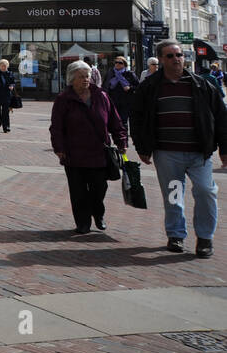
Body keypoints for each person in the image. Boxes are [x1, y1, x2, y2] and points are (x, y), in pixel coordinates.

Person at [130, 39, 227, 257]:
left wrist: (224, 148)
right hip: (167, 153)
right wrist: (142, 146)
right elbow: (136, 117)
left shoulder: (202, 85)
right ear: (162, 59)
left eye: (179, 55)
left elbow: (221, 116)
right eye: (170, 56)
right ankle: (176, 235)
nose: (176, 59)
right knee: (174, 195)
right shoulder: (150, 86)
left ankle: (205, 238)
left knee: (205, 191)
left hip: (198, 152)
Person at [50, 61, 127, 235]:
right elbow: (56, 127)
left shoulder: (101, 96)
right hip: (73, 153)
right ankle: (82, 222)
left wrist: (121, 141)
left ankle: (98, 213)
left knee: (99, 188)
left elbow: (115, 121)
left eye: (87, 76)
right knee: (78, 192)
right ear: (72, 79)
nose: (86, 79)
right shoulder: (64, 99)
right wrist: (59, 148)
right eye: (81, 77)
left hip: (98, 153)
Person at [104, 55, 139, 137]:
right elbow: (104, 85)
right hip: (113, 101)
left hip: (126, 102)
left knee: (123, 121)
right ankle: (118, 138)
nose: (117, 64)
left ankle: (124, 139)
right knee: (115, 121)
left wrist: (130, 88)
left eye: (120, 63)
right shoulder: (110, 73)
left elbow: (138, 87)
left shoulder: (129, 74)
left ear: (124, 64)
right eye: (116, 62)